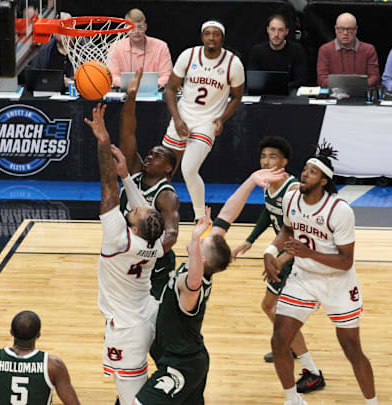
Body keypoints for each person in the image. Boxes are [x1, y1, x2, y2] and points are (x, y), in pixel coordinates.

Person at [134, 166, 287, 405]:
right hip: (187, 356)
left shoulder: (190, 285)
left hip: (181, 365)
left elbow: (194, 281)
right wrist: (250, 181)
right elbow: (227, 215)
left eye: (203, 243)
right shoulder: (201, 265)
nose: (203, 237)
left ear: (202, 259)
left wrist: (196, 239)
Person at [264, 143, 377, 405]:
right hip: (304, 277)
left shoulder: (339, 211)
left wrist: (308, 253)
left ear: (324, 181)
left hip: (337, 282)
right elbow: (288, 230)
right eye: (305, 169)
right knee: (279, 340)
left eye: (312, 172)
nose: (305, 174)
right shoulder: (291, 198)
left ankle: (372, 402)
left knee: (351, 348)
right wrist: (272, 253)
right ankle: (293, 400)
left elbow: (346, 262)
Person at [84, 103, 165, 405]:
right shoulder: (154, 244)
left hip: (127, 330)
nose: (135, 206)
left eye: (136, 211)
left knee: (132, 398)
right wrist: (127, 178)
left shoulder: (118, 238)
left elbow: (107, 185)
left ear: (135, 225)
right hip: (149, 314)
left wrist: (103, 142)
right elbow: (144, 209)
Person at [231, 137, 326, 394]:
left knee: (278, 312)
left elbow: (300, 231)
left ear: (284, 161)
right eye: (263, 156)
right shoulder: (268, 184)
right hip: (284, 255)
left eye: (272, 156)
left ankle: (312, 371)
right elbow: (269, 212)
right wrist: (250, 240)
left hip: (296, 258)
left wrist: (279, 257)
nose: (266, 161)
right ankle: (290, 346)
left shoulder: (293, 190)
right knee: (272, 308)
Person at [163, 20, 245, 222]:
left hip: (207, 122)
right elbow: (170, 89)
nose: (211, 38)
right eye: (207, 33)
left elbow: (237, 97)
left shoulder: (233, 63)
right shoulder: (188, 55)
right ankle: (156, 210)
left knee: (189, 169)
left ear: (222, 38)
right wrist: (177, 119)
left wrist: (222, 118)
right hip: (183, 117)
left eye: (216, 34)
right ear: (202, 36)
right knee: (165, 169)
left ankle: (201, 217)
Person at [118, 69, 180, 300]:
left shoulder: (166, 195)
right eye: (150, 153)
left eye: (157, 156)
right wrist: (131, 97)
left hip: (156, 264)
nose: (150, 157)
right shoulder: (134, 171)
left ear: (168, 168)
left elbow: (171, 234)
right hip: (128, 256)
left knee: (153, 312)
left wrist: (147, 252)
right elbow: (127, 132)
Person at [109, 9, 173, 89]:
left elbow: (167, 76)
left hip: (154, 92)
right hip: (124, 92)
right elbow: (112, 76)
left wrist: (148, 85)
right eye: (132, 27)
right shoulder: (115, 47)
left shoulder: (161, 47)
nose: (136, 31)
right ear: (125, 28)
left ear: (145, 27)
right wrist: (133, 85)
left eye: (140, 27)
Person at [316, 13, 380, 88]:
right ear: (336, 29)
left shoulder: (368, 49)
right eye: (341, 29)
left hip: (361, 92)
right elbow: (321, 79)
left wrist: (358, 87)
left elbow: (375, 77)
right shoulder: (325, 50)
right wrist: (342, 87)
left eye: (349, 29)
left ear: (356, 29)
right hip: (334, 93)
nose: (345, 33)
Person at [248, 13, 308, 91]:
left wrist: (279, 87)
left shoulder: (297, 50)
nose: (276, 34)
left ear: (286, 31)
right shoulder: (257, 51)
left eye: (280, 30)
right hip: (263, 93)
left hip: (290, 93)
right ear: (268, 30)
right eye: (273, 29)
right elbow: (253, 80)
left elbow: (301, 80)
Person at [29, 12, 74, 88]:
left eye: (66, 27)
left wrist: (71, 82)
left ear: (73, 28)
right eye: (59, 26)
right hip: (49, 92)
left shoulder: (86, 48)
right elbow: (33, 76)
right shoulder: (43, 49)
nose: (62, 31)